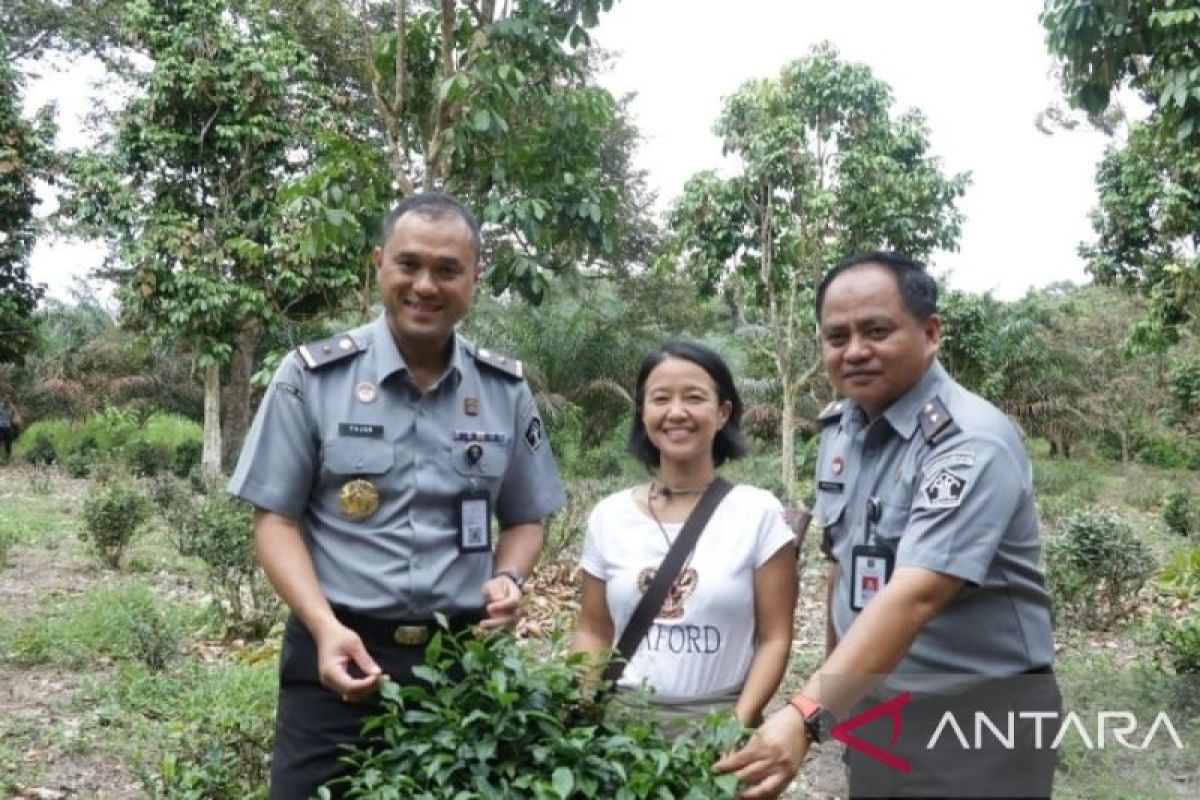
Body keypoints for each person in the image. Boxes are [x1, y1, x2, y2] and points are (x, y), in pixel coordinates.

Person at [228, 192, 567, 799]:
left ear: (474, 279)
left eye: (447, 270)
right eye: (409, 265)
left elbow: (525, 517)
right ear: (379, 264)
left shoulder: (504, 390)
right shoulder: (310, 378)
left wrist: (510, 580)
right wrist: (324, 627)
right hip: (338, 656)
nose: (425, 286)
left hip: (460, 664)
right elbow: (275, 521)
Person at [718, 252, 1058, 798]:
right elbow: (844, 569)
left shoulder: (968, 441)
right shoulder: (841, 430)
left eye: (876, 331)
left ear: (930, 332)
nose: (854, 351)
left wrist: (805, 714)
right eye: (836, 336)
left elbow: (915, 596)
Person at [570, 340, 797, 731]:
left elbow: (775, 637)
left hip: (718, 723)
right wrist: (579, 709)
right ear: (643, 413)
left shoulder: (757, 513)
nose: (676, 412)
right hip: (621, 732)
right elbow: (594, 629)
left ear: (723, 412)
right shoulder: (609, 516)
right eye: (660, 399)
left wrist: (735, 728)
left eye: (694, 397)